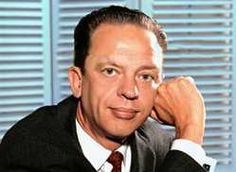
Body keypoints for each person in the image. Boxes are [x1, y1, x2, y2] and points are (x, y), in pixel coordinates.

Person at [0, 5, 216, 172]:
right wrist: (190, 134)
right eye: (110, 71)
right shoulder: (29, 151)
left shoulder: (160, 143)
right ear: (78, 82)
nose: (130, 91)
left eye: (145, 76)